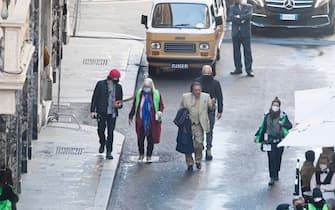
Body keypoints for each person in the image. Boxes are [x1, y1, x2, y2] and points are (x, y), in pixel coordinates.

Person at [255, 97, 292, 186]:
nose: (275, 107)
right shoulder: (267, 115)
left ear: (279, 106)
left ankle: (276, 173)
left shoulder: (283, 116)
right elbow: (263, 128)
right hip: (269, 141)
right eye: (274, 105)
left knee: (278, 158)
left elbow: (289, 125)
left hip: (279, 141)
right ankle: (272, 176)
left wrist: (283, 124)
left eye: (277, 105)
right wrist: (261, 141)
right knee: (271, 159)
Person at [129, 78, 164, 162]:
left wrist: (159, 112)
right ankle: (141, 154)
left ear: (151, 86)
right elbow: (135, 105)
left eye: (148, 86)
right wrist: (131, 116)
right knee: (140, 139)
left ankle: (149, 156)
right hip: (140, 120)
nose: (146, 88)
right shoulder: (139, 93)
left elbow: (161, 106)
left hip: (152, 121)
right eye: (145, 86)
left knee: (150, 139)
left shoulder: (156, 94)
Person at [180, 82, 213, 170]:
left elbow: (211, 107)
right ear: (192, 91)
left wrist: (213, 103)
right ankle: (189, 162)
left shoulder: (206, 96)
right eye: (195, 90)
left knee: (199, 144)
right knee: (187, 145)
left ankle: (198, 160)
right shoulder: (185, 97)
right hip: (188, 125)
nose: (198, 92)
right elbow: (181, 109)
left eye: (199, 90)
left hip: (199, 125)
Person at [91, 69, 123, 159]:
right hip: (102, 112)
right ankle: (102, 143)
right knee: (100, 130)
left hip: (112, 114)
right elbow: (95, 98)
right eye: (115, 79)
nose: (117, 81)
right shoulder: (101, 84)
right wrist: (93, 110)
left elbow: (120, 101)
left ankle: (109, 151)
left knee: (110, 132)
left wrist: (119, 105)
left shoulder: (119, 87)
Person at [195, 65, 223, 160]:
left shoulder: (216, 83)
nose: (206, 75)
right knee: (199, 130)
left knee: (209, 130)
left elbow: (220, 97)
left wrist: (220, 111)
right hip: (199, 110)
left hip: (211, 110)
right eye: (205, 73)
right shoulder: (197, 82)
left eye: (208, 73)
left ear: (211, 73)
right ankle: (200, 147)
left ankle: (209, 149)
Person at [229, 0, 254, 77]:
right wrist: (242, 18)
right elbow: (231, 17)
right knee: (236, 52)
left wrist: (239, 16)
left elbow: (249, 16)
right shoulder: (232, 8)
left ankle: (249, 70)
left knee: (247, 52)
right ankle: (238, 69)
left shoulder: (249, 7)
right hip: (236, 33)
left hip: (245, 33)